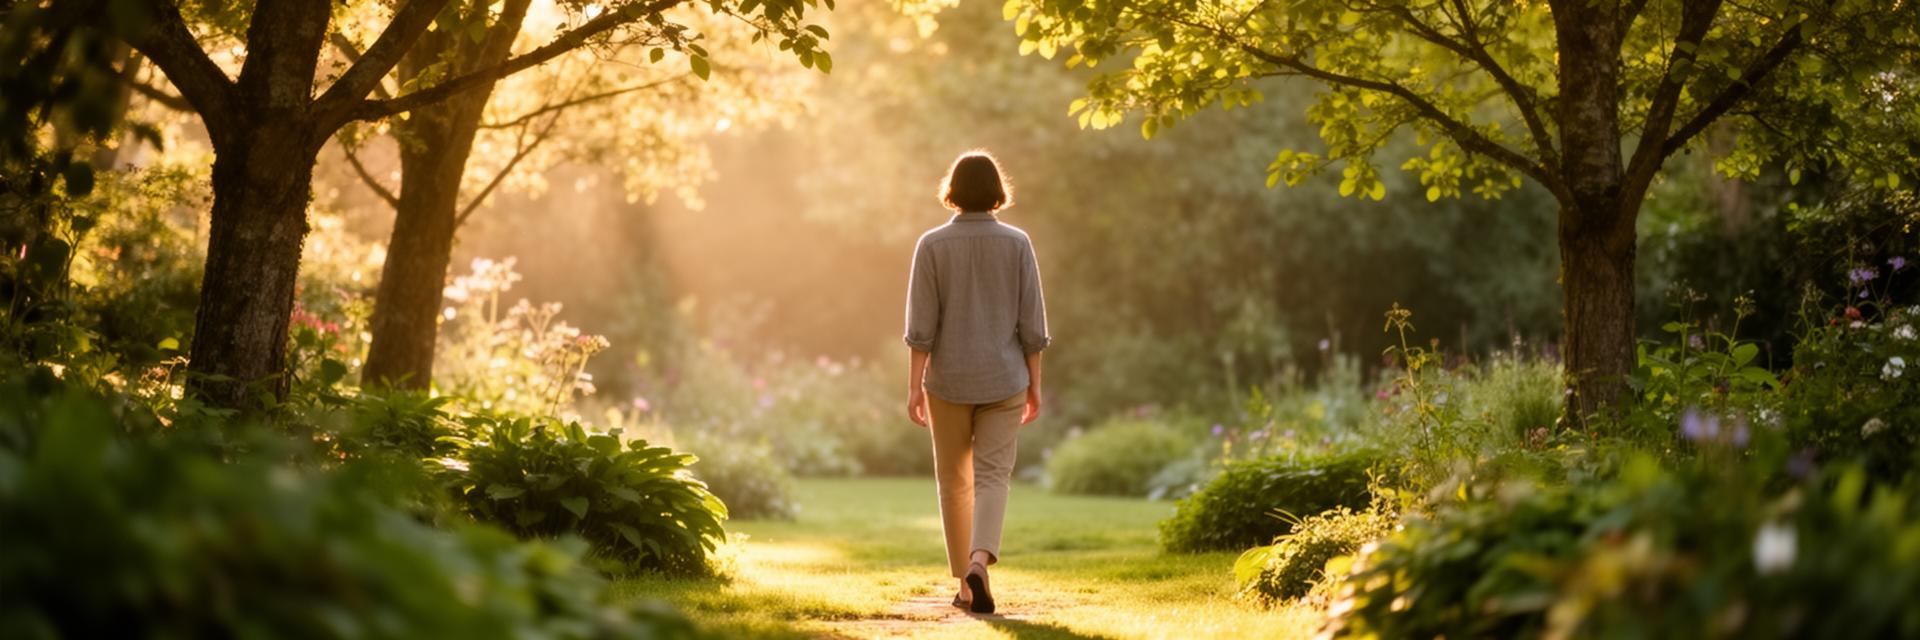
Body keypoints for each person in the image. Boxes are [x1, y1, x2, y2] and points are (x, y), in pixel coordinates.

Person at [902, 150, 1050, 615]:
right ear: (995, 193)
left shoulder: (931, 245)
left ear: (954, 192)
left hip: (947, 380)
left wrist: (913, 386)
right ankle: (979, 562)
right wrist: (1034, 384)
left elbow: (920, 326)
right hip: (1005, 377)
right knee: (992, 478)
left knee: (953, 480)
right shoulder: (1018, 243)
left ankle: (965, 588)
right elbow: (1033, 324)